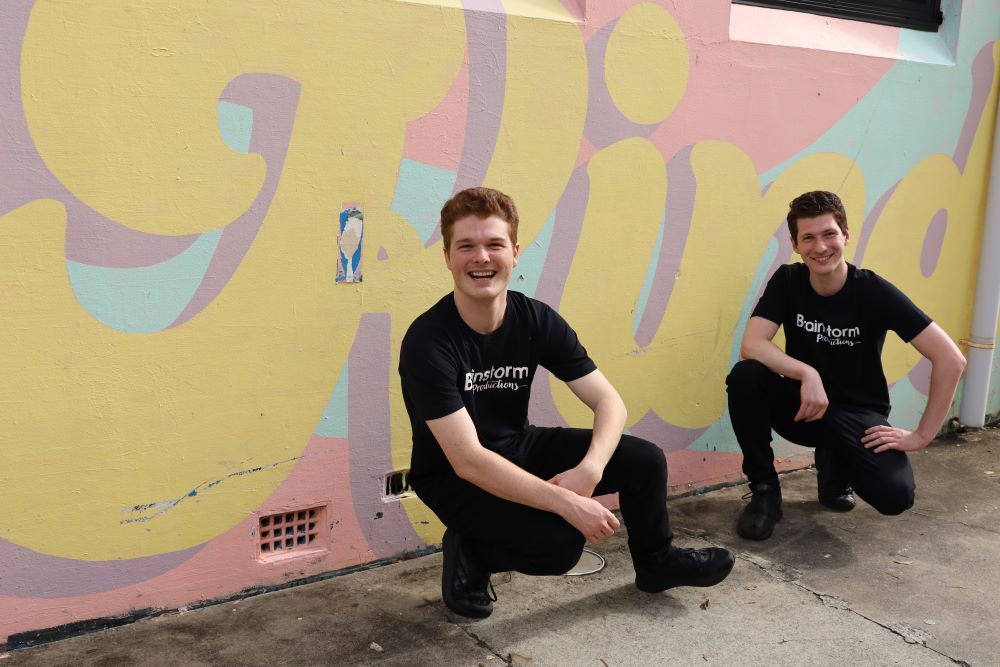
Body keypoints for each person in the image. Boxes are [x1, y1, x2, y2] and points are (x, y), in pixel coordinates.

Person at [399, 187, 734, 618]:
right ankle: (472, 548)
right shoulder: (429, 341)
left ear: (515, 252)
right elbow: (468, 460)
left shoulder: (535, 319)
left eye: (494, 244)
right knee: (557, 548)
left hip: (516, 446)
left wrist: (589, 470)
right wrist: (567, 502)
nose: (481, 257)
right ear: (447, 256)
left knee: (644, 460)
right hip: (452, 477)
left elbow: (609, 402)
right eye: (466, 246)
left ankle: (656, 562)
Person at [727, 190, 966, 541]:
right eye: (808, 238)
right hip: (805, 408)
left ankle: (836, 466)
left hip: (857, 415)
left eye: (829, 234)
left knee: (896, 496)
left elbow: (950, 358)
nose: (820, 247)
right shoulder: (789, 281)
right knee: (746, 377)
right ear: (795, 244)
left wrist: (922, 435)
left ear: (846, 236)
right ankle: (765, 492)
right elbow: (753, 344)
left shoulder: (872, 291)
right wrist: (807, 373)